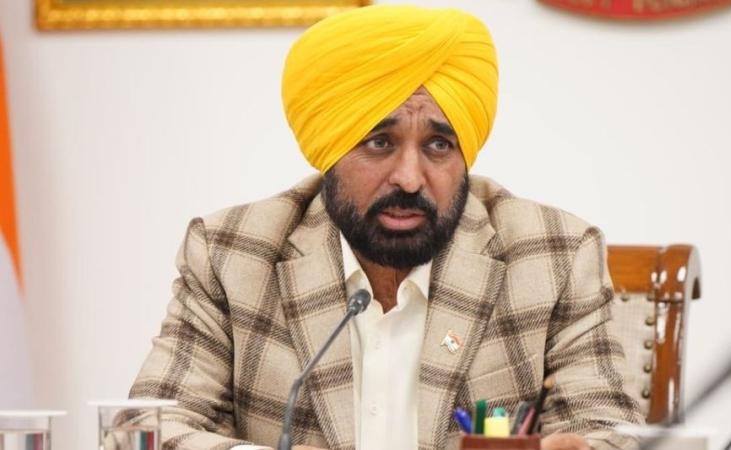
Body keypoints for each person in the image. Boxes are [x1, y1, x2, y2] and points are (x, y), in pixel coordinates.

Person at [128, 5, 643, 450]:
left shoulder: (554, 256)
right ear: (330, 150)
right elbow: (144, 432)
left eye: (439, 145)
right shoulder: (233, 254)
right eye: (379, 143)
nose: (409, 178)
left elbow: (609, 432)